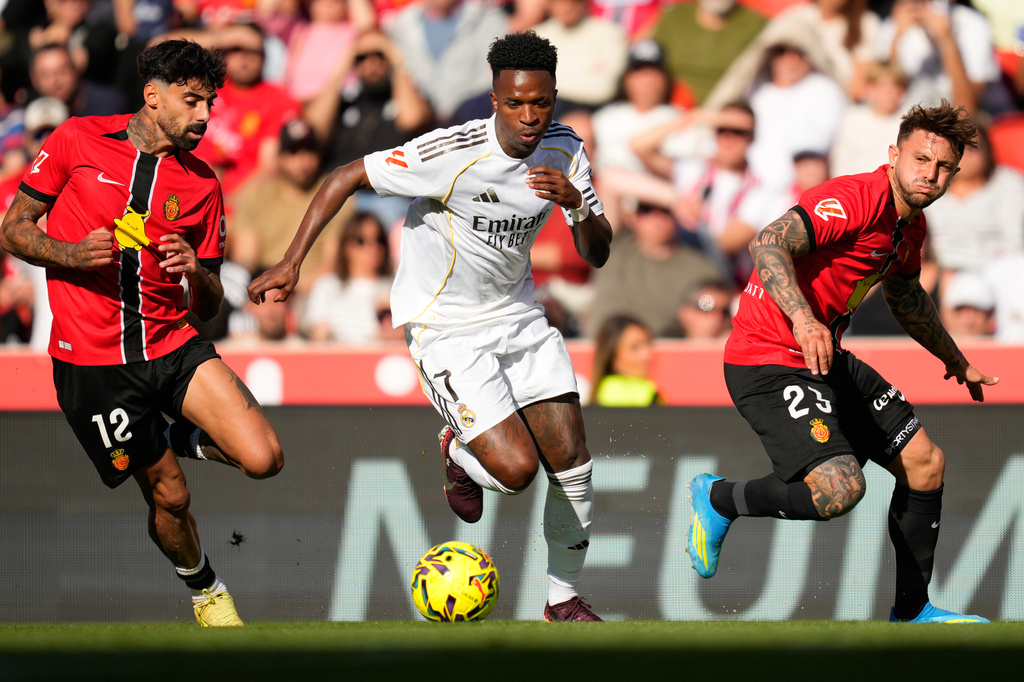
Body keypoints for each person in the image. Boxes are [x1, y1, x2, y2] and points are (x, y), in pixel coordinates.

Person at [249, 31, 612, 621]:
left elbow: (596, 252)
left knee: (572, 458)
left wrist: (575, 202)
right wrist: (292, 261)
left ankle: (562, 601)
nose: (529, 117)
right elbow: (345, 175)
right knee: (517, 472)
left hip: (518, 313)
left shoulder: (566, 150)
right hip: (445, 324)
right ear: (495, 98)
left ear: (553, 99)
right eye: (516, 103)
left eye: (540, 103)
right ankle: (456, 449)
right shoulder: (451, 151)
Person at [0, 39, 284, 626]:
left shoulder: (203, 182)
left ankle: (172, 435)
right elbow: (13, 229)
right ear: (152, 97)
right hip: (93, 365)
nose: (205, 115)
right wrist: (70, 254)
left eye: (210, 103)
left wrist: (196, 272)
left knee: (264, 458)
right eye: (192, 101)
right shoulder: (77, 139)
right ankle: (206, 590)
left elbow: (207, 305)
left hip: (172, 344)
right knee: (171, 496)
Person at [686, 100, 995, 623]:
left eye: (944, 167)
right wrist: (804, 319)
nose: (931, 174)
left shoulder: (910, 228)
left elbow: (905, 298)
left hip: (823, 356)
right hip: (767, 356)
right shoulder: (855, 198)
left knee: (925, 464)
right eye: (921, 159)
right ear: (894, 154)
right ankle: (719, 499)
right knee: (840, 490)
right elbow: (768, 243)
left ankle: (912, 612)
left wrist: (955, 358)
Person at [302, 211, 398, 344]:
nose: (373, 247)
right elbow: (319, 338)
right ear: (346, 247)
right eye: (361, 241)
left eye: (379, 239)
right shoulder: (327, 286)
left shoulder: (396, 288)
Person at [588, 314, 660, 407]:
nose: (647, 355)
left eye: (648, 344)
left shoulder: (600, 393)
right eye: (635, 347)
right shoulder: (647, 396)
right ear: (611, 355)